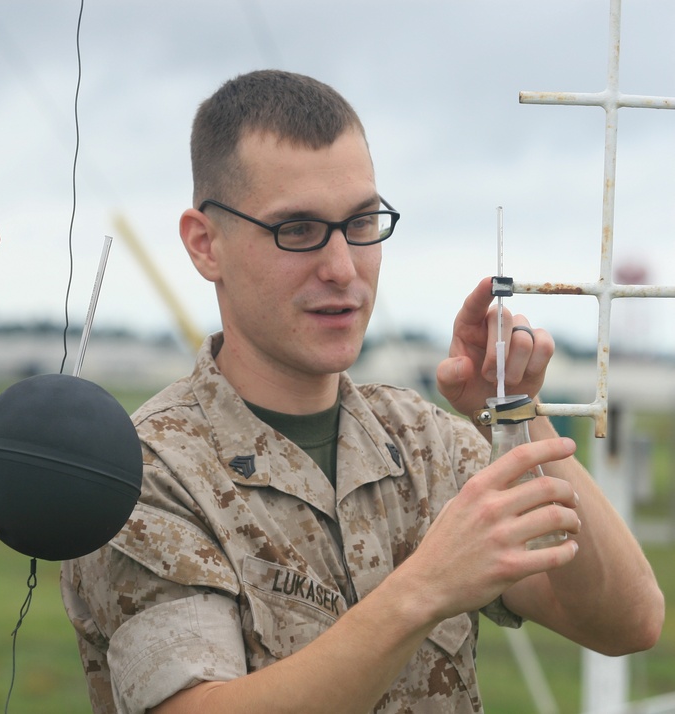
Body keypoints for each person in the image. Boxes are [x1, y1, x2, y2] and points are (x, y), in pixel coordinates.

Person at [60, 69, 664, 714]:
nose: (343, 267)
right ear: (206, 245)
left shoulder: (424, 443)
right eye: (296, 229)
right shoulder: (144, 474)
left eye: (362, 222)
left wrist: (519, 409)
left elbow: (626, 621)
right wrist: (426, 587)